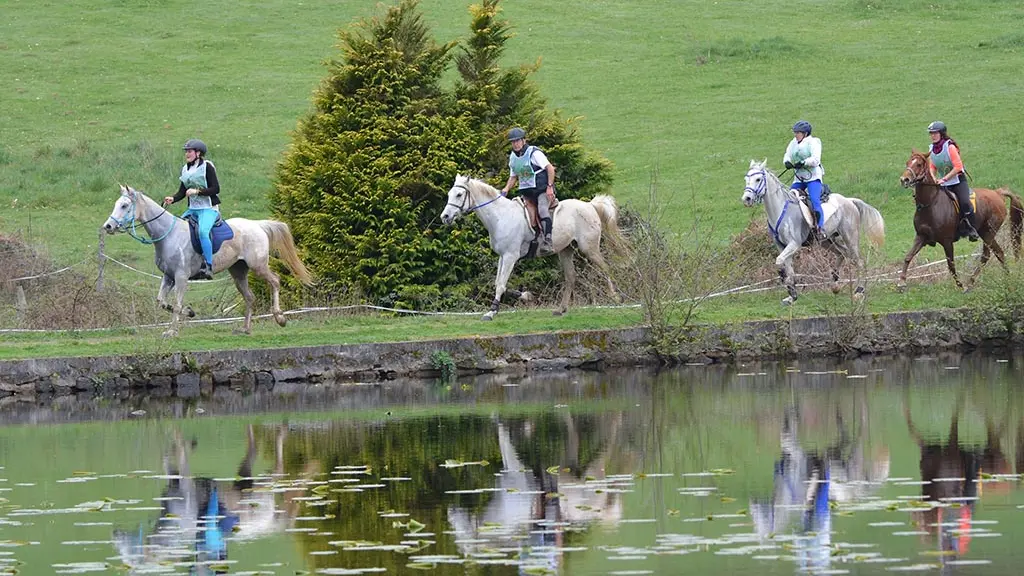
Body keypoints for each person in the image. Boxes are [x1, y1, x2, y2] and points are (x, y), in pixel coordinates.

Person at [163, 138, 221, 279]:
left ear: (198, 153)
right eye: (186, 152)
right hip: (193, 209)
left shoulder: (207, 167)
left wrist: (197, 191)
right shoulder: (185, 169)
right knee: (176, 230)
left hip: (209, 209)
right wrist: (173, 198)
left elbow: (216, 189)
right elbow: (182, 192)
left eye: (189, 151)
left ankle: (208, 266)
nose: (187, 154)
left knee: (202, 232)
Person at [500, 127, 556, 251]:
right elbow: (513, 176)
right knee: (523, 216)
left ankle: (548, 240)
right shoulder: (513, 158)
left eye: (517, 141)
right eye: (513, 142)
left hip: (542, 190)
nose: (515, 144)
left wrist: (550, 187)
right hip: (528, 194)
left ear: (524, 140)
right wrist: (505, 189)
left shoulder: (534, 153)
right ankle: (532, 240)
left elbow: (550, 168)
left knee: (542, 209)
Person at [927, 121, 979, 241]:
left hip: (958, 181)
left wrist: (944, 178)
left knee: (965, 202)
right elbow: (933, 166)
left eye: (935, 133)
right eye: (931, 133)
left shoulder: (950, 147)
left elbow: (958, 167)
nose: (932, 136)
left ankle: (972, 229)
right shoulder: (931, 149)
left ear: (941, 133)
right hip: (943, 183)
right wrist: (934, 178)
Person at [783, 120, 826, 241]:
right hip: (799, 178)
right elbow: (787, 154)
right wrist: (786, 162)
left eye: (798, 132)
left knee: (814, 199)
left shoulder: (814, 142)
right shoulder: (793, 142)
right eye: (795, 132)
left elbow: (816, 160)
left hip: (812, 177)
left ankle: (819, 227)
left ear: (805, 133)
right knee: (788, 198)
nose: (795, 134)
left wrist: (803, 162)